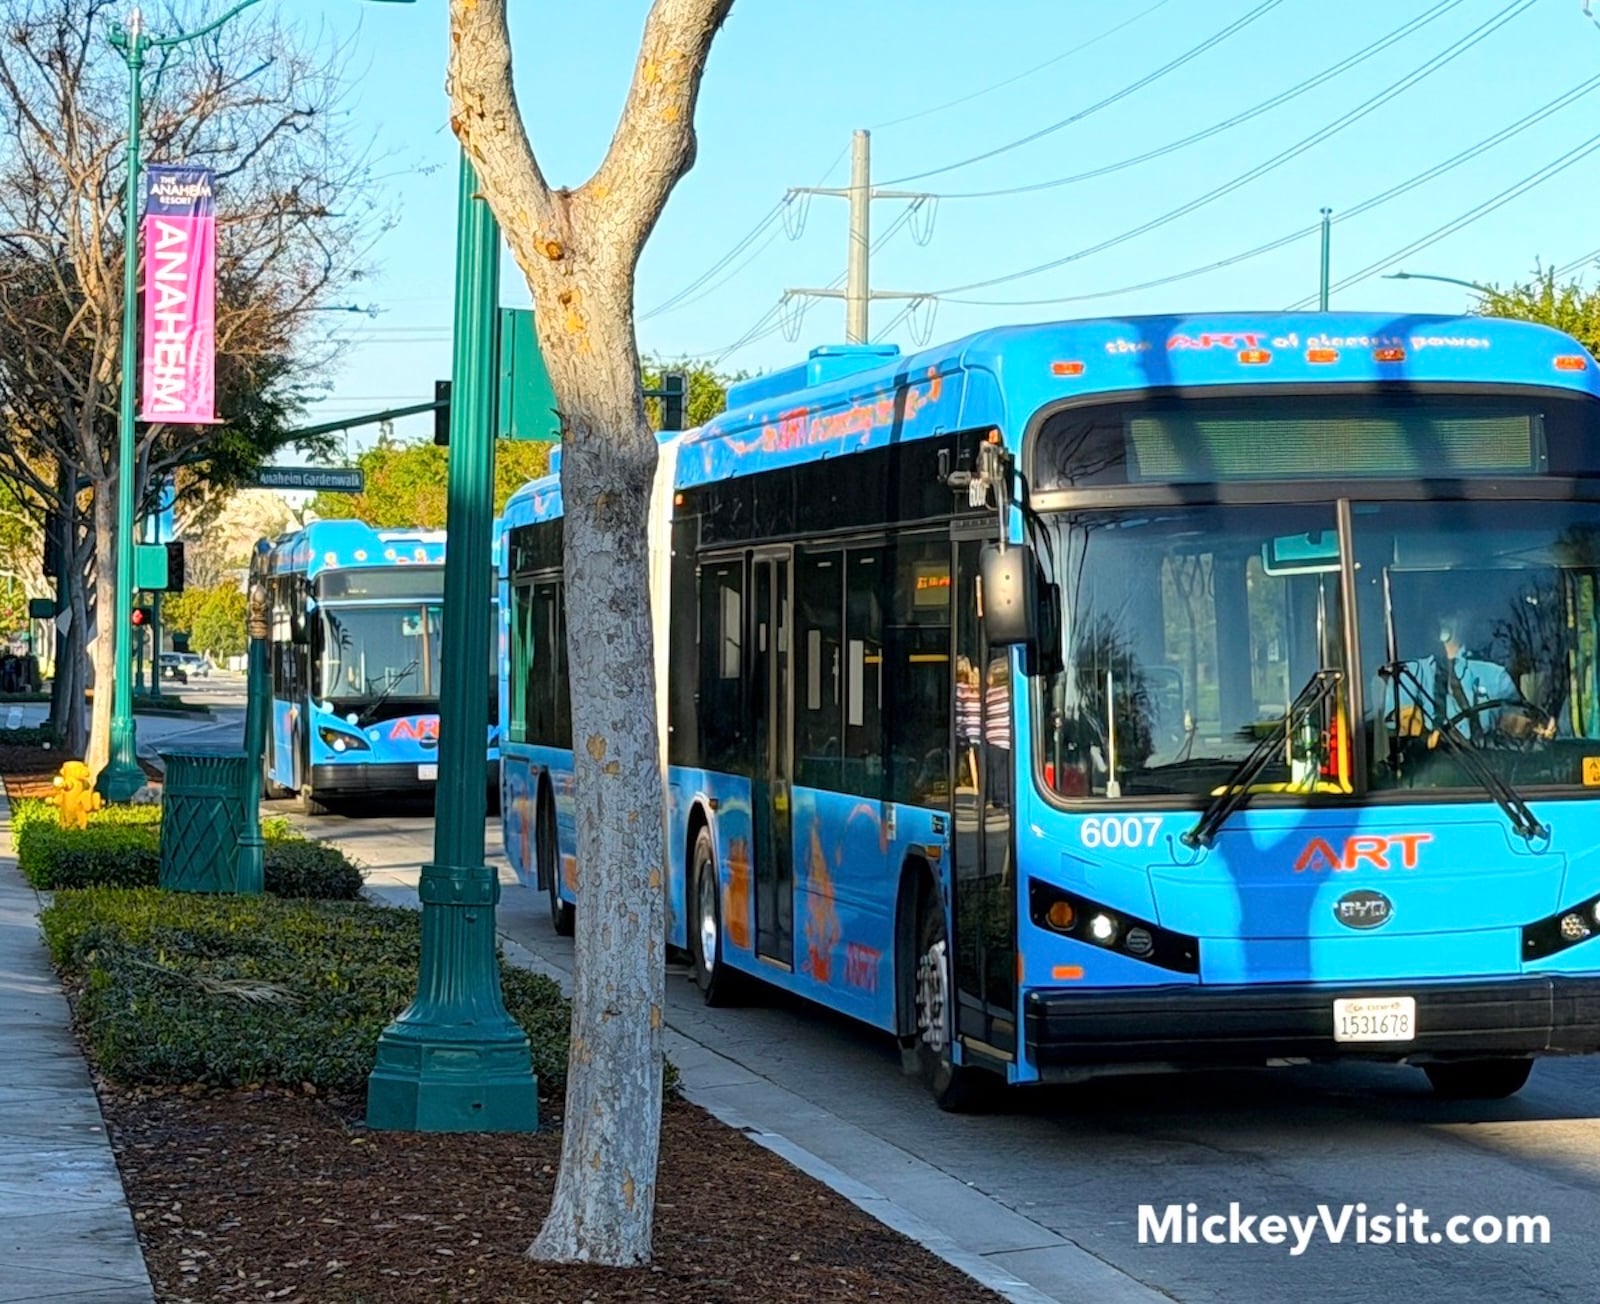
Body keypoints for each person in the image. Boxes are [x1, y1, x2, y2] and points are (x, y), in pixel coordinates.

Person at [1391, 611, 1545, 742]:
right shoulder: (1407, 675)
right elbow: (1408, 729)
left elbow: (1514, 724)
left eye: (1451, 612)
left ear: (1466, 616)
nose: (1444, 620)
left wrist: (1535, 727)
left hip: (1489, 768)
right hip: (1431, 770)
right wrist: (1427, 739)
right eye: (1438, 612)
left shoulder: (1495, 675)